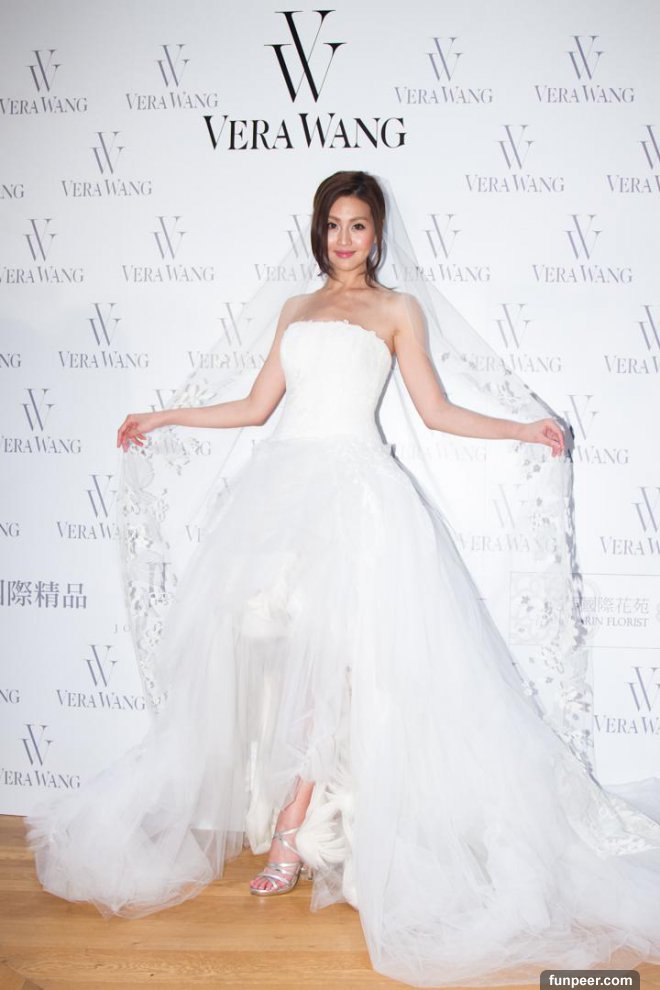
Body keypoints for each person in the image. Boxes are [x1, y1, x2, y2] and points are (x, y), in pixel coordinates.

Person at [27, 172, 660, 988]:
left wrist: (520, 429)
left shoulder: (397, 311)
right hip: (283, 500)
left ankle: (293, 838)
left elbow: (435, 410)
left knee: (344, 668)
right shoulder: (296, 309)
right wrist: (164, 415)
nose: (344, 239)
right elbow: (256, 407)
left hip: (361, 503)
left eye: (358, 225)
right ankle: (296, 828)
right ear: (318, 230)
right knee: (290, 667)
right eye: (333, 224)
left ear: (378, 234)